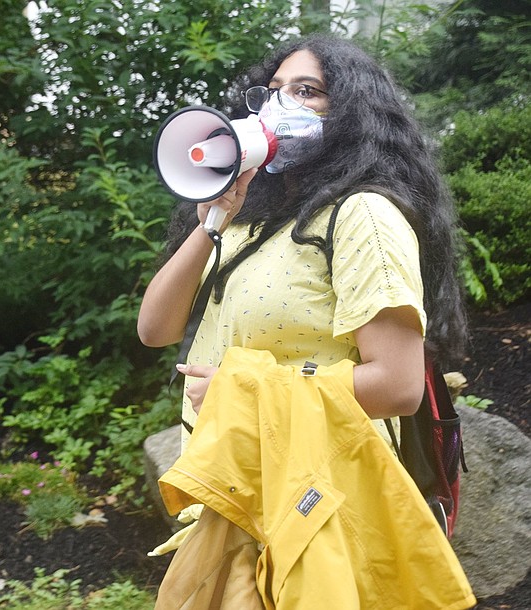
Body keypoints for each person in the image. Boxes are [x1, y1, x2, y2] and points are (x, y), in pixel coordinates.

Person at [138, 33, 474, 610]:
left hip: (323, 500)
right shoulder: (248, 221)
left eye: (307, 91)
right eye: (271, 91)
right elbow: (155, 329)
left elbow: (397, 385)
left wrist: (241, 395)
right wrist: (212, 221)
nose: (280, 104)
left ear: (349, 113)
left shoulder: (363, 215)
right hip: (239, 492)